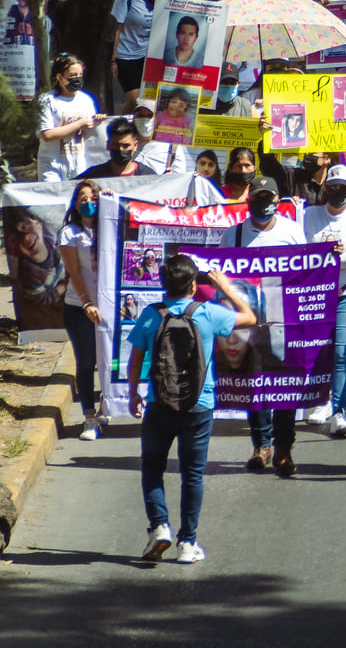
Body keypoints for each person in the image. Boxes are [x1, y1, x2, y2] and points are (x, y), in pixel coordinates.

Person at [127, 253, 257, 564]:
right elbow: (249, 317)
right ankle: (188, 542)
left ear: (163, 283)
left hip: (159, 402)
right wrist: (224, 286)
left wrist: (134, 393)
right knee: (192, 474)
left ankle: (159, 526)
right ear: (194, 285)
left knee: (153, 467)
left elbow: (135, 361)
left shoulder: (150, 314)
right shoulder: (209, 313)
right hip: (200, 405)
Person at [222, 177, 306, 475]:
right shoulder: (232, 236)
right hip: (250, 321)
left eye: (269, 198)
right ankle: (261, 444)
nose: (264, 203)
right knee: (255, 384)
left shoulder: (293, 232)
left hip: (284, 319)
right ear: (250, 200)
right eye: (258, 197)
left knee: (285, 385)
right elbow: (223, 279)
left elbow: (308, 274)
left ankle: (284, 448)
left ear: (277, 200)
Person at [301, 164, 346, 435]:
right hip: (314, 296)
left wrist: (325, 257)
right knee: (318, 350)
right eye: (332, 187)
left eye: (343, 188)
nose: (337, 192)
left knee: (340, 353)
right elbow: (299, 251)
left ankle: (340, 411)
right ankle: (321, 400)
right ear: (325, 189)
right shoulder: (308, 215)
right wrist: (329, 256)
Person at [56, 181, 105, 440]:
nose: (89, 203)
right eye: (83, 198)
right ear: (75, 204)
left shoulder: (113, 228)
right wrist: (87, 303)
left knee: (111, 362)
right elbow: (74, 272)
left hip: (112, 308)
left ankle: (107, 407)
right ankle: (89, 416)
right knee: (86, 363)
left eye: (94, 197)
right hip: (79, 308)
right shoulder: (70, 233)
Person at [36, 55, 107, 181]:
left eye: (80, 75)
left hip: (79, 166)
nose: (77, 78)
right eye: (73, 75)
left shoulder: (86, 100)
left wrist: (98, 120)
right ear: (60, 77)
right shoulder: (47, 101)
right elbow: (47, 135)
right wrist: (79, 124)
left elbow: (91, 131)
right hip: (52, 167)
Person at [110, 0, 162, 105]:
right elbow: (117, 29)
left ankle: (127, 125)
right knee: (136, 101)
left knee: (147, 103)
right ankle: (122, 128)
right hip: (127, 56)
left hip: (150, 57)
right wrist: (113, 60)